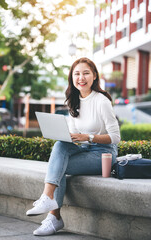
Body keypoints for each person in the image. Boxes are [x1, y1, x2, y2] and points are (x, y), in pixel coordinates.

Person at [26, 57, 121, 236]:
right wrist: (67, 136)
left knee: (57, 168)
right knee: (60, 145)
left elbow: (116, 137)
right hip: (84, 148)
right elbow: (74, 134)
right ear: (72, 78)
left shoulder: (102, 101)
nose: (81, 78)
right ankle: (49, 204)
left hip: (104, 154)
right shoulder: (73, 99)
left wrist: (89, 137)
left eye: (86, 73)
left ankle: (53, 215)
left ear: (94, 76)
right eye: (76, 74)